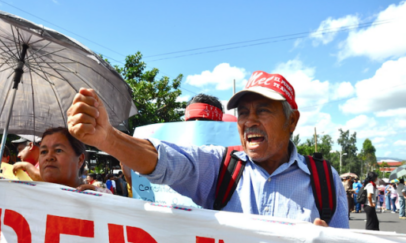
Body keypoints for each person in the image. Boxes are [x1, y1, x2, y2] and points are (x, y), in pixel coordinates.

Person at [67, 71, 349, 228]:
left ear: (292, 121)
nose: (249, 120)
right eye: (243, 112)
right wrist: (108, 139)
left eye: (263, 111)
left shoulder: (324, 180)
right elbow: (167, 161)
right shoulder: (221, 168)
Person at [38, 127, 111, 194]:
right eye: (44, 152)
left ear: (80, 160)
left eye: (58, 150)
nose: (49, 157)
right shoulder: (31, 196)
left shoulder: (102, 199)